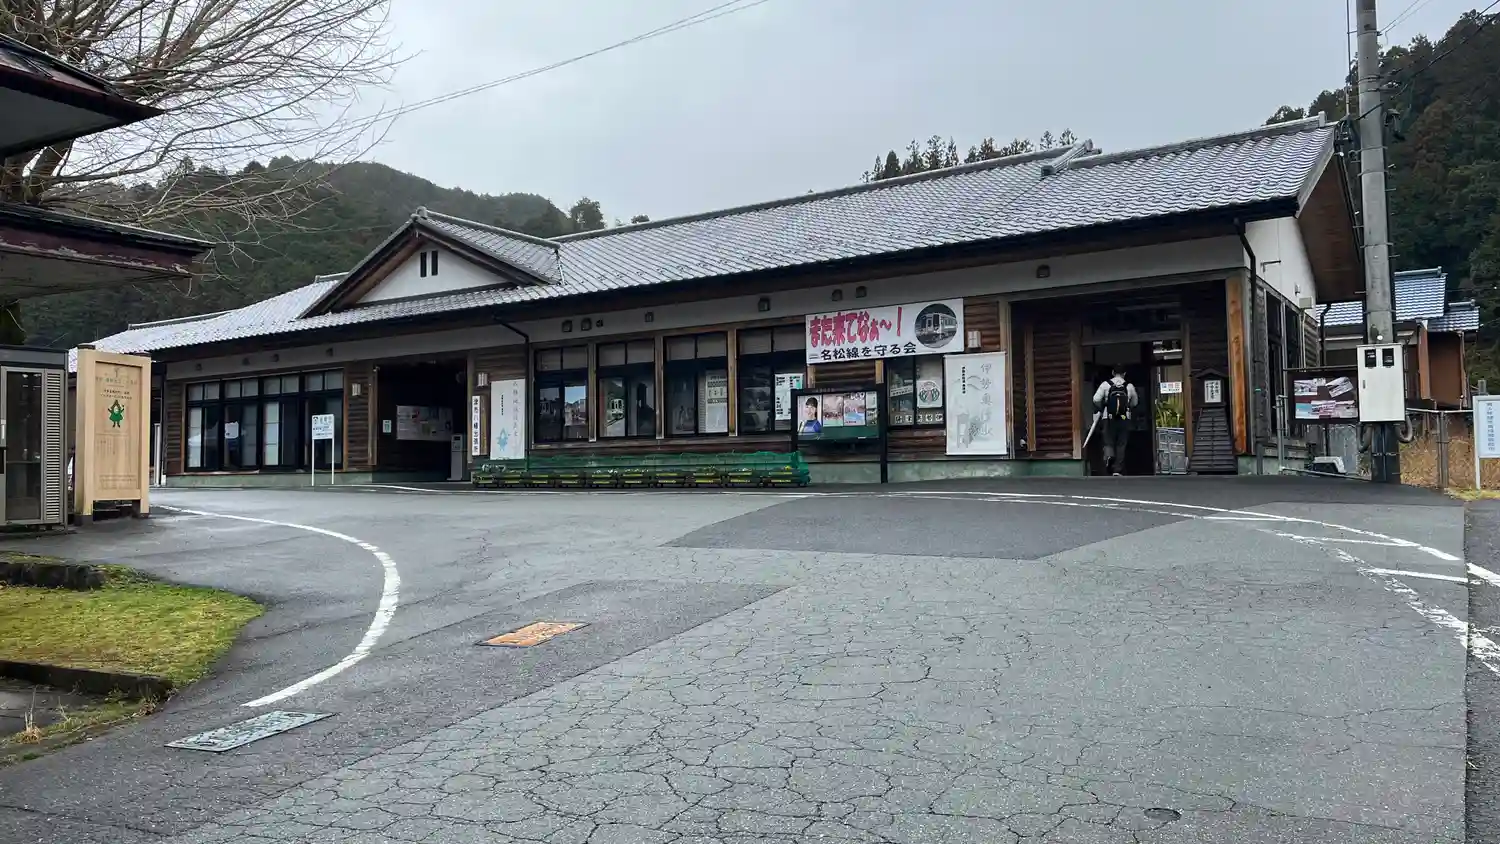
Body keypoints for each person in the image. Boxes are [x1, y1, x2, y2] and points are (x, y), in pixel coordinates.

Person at [1092, 365, 1138, 475]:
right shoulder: (1129, 386)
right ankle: (1117, 469)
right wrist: (1127, 406)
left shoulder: (1105, 384)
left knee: (1108, 441)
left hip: (1108, 417)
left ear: (1113, 372)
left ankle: (1109, 458)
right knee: (1121, 444)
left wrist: (1102, 406)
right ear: (1125, 373)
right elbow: (1135, 403)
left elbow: (1096, 399)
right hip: (1124, 418)